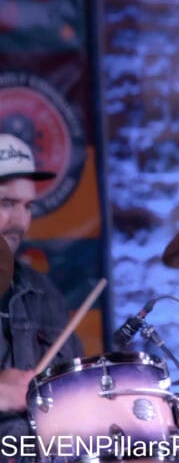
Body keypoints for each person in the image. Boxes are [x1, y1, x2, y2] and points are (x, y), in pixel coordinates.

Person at [0, 133, 83, 454]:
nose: (19, 221)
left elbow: (75, 394)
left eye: (28, 206)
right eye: (6, 204)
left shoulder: (44, 292)